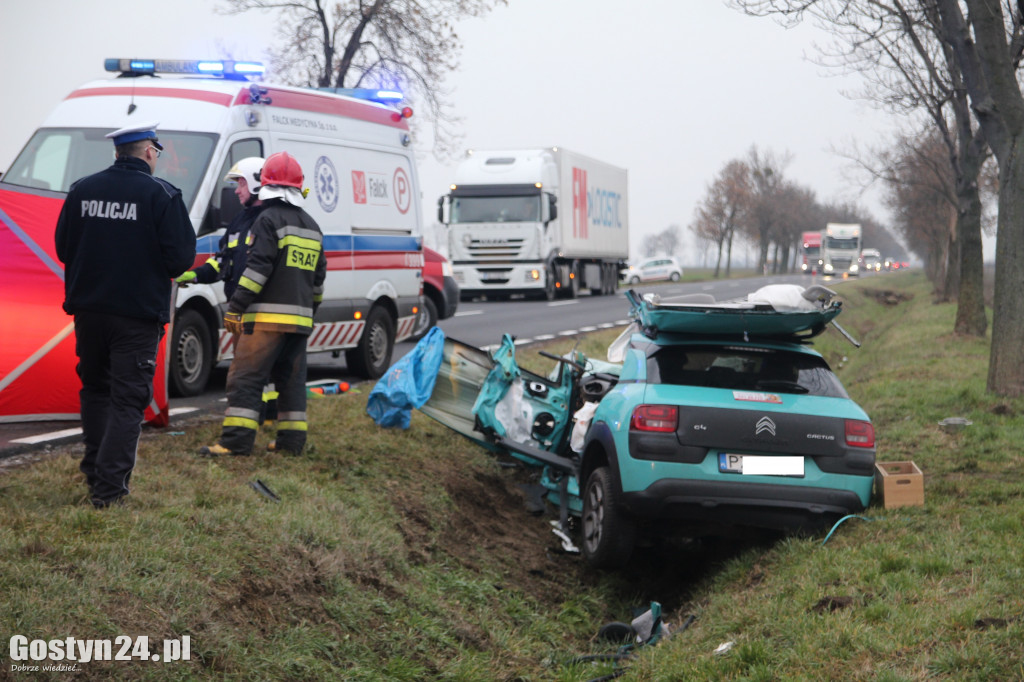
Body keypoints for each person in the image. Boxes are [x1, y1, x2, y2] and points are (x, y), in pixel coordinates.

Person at [54, 121, 196, 508]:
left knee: (96, 390)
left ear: (117, 152)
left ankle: (94, 475)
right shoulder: (162, 195)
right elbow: (181, 259)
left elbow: (63, 248)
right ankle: (109, 491)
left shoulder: (82, 190)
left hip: (89, 311)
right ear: (149, 151)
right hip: (136, 316)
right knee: (128, 400)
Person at [199, 151, 326, 457]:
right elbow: (318, 281)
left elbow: (257, 270)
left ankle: (235, 443)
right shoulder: (311, 225)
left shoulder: (267, 220)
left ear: (265, 185)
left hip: (264, 320)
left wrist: (236, 307)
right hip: (299, 323)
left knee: (245, 378)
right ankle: (290, 445)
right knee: (291, 384)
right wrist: (309, 313)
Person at [175, 157, 265, 302]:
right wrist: (196, 275)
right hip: (237, 309)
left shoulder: (269, 221)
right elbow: (222, 262)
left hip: (258, 310)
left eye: (242, 184)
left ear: (256, 184)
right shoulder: (239, 221)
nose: (237, 191)